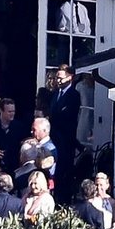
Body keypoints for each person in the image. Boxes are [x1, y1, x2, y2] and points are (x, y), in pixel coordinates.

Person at [50, 65, 81, 204]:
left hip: (66, 140)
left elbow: (67, 117)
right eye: (57, 77)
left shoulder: (74, 95)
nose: (58, 80)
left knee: (65, 172)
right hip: (54, 138)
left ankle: (64, 203)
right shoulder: (56, 94)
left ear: (70, 78)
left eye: (61, 78)